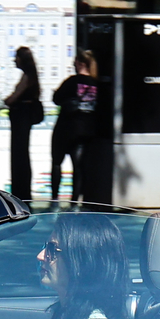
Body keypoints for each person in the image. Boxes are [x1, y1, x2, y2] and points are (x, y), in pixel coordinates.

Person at [41, 211, 133, 319]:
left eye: (52, 250)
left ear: (82, 263)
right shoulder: (67, 314)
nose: (40, 256)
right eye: (45, 247)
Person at [48, 50, 104, 206]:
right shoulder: (96, 84)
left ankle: (54, 199)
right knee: (78, 168)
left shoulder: (72, 81)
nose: (73, 64)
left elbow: (56, 99)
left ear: (80, 63)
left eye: (74, 62)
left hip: (66, 127)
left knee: (57, 162)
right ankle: (74, 202)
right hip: (85, 130)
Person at [3, 46, 43, 201]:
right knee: (23, 154)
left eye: (16, 57)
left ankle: (20, 191)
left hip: (20, 118)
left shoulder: (27, 77)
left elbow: (12, 98)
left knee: (19, 155)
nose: (14, 60)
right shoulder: (32, 77)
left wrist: (7, 101)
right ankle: (23, 189)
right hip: (24, 119)